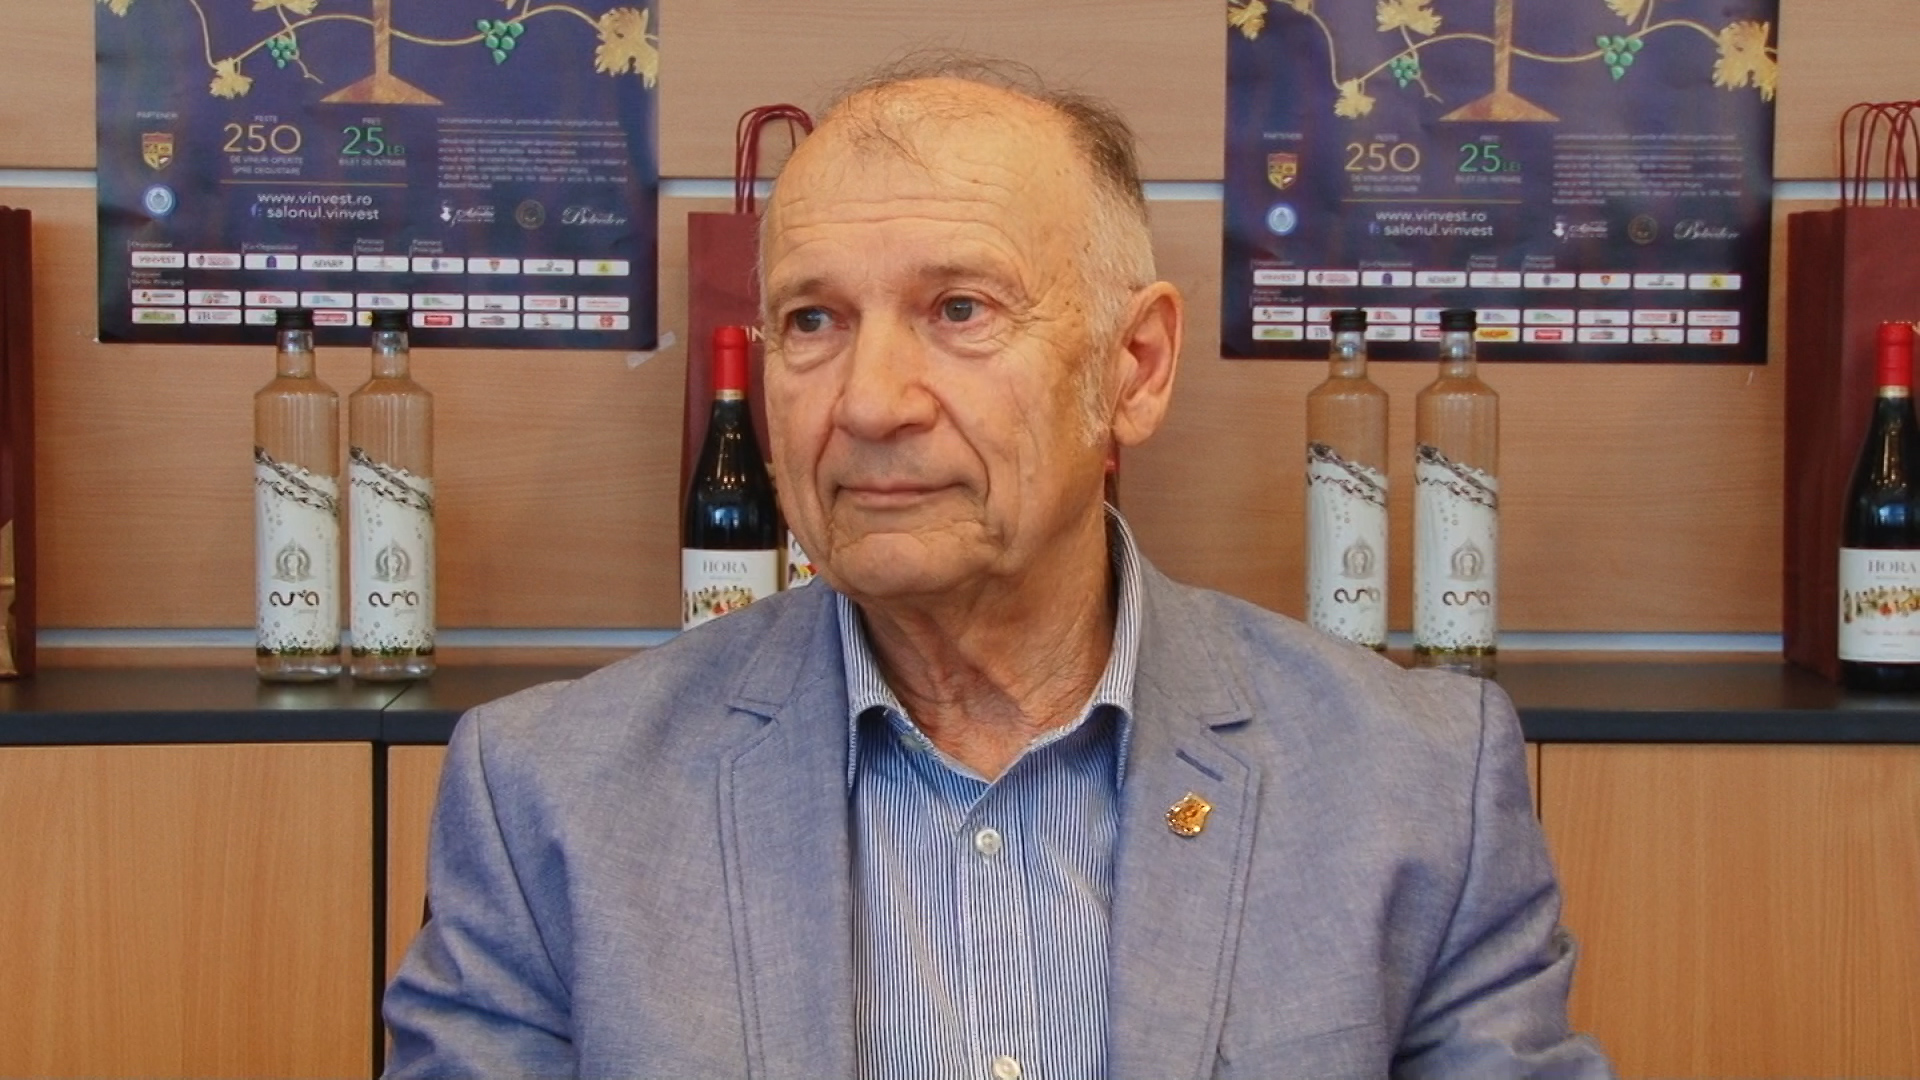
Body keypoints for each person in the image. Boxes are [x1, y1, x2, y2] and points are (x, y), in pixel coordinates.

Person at [383, 59, 1613, 1079]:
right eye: (812, 320)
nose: (870, 401)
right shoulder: (551, 803)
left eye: (960, 310)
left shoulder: (1415, 790)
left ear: (1134, 368)